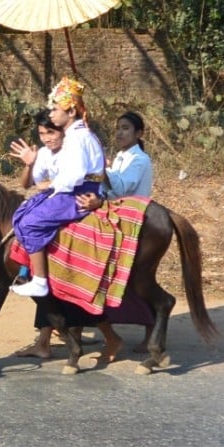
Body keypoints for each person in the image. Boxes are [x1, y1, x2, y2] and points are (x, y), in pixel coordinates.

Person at [10, 77, 105, 299]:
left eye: (55, 109)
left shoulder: (77, 137)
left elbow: (74, 175)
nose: (51, 113)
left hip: (77, 193)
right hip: (72, 189)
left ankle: (40, 280)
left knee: (30, 222)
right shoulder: (75, 135)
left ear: (71, 111)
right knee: (23, 213)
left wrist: (54, 189)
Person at [77, 111, 155, 354]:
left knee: (135, 281)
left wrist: (102, 168)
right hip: (114, 214)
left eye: (126, 128)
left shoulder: (139, 160)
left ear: (139, 133)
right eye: (118, 128)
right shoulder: (121, 157)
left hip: (131, 218)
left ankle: (152, 332)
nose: (120, 132)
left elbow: (121, 187)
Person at [7, 111, 65, 359]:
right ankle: (27, 272)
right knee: (20, 225)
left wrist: (47, 185)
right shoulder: (41, 153)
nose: (47, 138)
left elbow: (67, 183)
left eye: (51, 132)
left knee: (30, 226)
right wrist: (29, 164)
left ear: (63, 130)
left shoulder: (72, 152)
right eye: (42, 134)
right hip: (46, 204)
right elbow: (26, 184)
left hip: (65, 203)